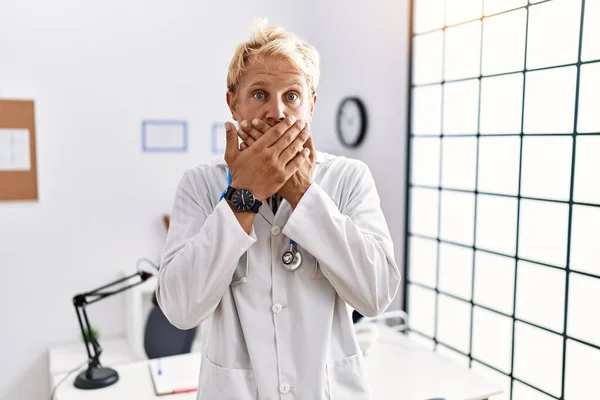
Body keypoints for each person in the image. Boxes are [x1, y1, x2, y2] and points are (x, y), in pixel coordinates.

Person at [156, 18, 401, 400]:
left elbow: (377, 293)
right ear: (232, 102)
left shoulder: (349, 178)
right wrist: (244, 195)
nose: (277, 112)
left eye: (292, 96)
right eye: (259, 94)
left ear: (311, 105)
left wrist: (301, 192)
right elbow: (180, 309)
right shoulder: (200, 185)